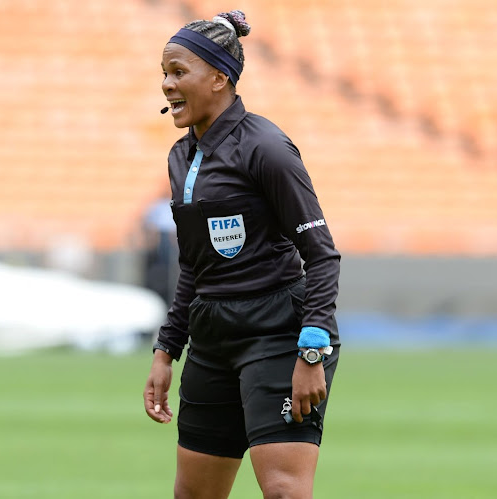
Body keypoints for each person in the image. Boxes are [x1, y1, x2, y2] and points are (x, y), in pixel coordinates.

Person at [142, 10, 341, 499]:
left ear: (219, 78)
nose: (167, 84)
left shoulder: (267, 148)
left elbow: (321, 254)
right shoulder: (180, 157)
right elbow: (195, 262)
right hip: (212, 336)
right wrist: (168, 349)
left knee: (283, 491)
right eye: (164, 74)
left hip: (276, 332)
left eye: (178, 72)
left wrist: (311, 351)